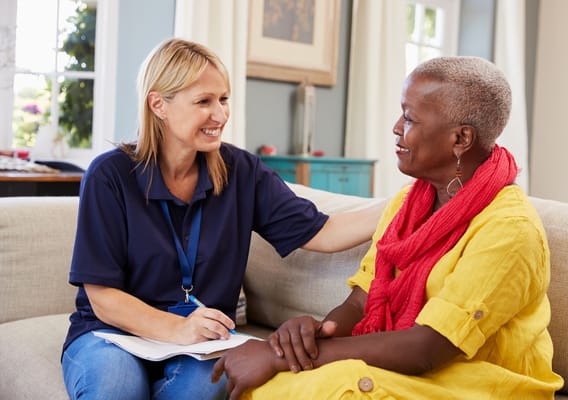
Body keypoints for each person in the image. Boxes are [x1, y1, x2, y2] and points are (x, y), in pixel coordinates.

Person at [211, 56, 565, 399]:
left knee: (332, 389)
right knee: (274, 384)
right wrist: (316, 335)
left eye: (410, 118)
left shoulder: (509, 230)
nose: (396, 127)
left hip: (479, 383)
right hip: (418, 370)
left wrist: (277, 356)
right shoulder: (408, 203)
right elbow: (362, 301)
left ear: (461, 139)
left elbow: (427, 348)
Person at [61, 37, 386, 400]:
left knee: (202, 390)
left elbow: (323, 231)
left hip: (202, 344)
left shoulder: (242, 171)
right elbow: (103, 297)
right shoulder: (110, 175)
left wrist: (407, 201)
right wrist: (177, 327)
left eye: (224, 99)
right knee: (115, 389)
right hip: (113, 334)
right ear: (158, 105)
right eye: (204, 101)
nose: (220, 114)